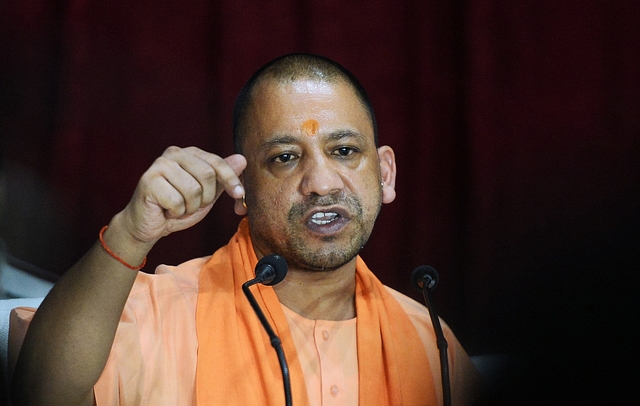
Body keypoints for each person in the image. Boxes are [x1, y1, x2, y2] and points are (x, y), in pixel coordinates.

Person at [11, 53, 483, 406]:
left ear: (384, 175)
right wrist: (131, 235)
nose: (321, 183)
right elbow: (38, 393)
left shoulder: (430, 341)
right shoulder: (162, 310)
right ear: (242, 189)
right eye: (285, 158)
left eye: (343, 151)